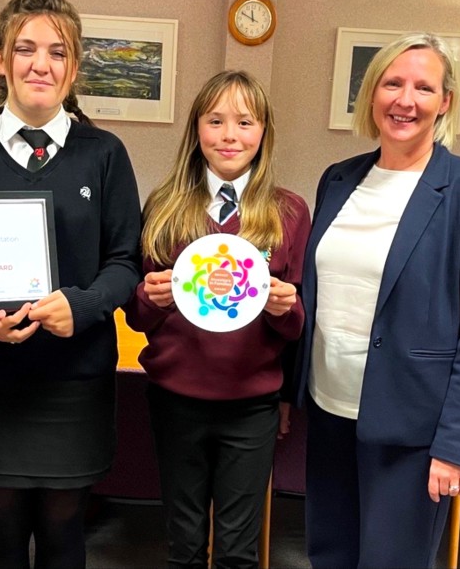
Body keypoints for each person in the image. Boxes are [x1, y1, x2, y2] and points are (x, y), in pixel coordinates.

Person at [0, 0, 142, 569]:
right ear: (1, 59)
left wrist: (84, 305)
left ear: (74, 66)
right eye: (25, 49)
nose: (40, 64)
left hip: (74, 379)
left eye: (57, 51)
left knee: (64, 533)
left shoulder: (105, 154)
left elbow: (126, 261)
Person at [294, 32, 460, 568]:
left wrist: (455, 447)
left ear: (446, 102)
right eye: (392, 83)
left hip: (412, 426)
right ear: (372, 93)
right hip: (330, 408)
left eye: (424, 88)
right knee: (329, 553)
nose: (405, 100)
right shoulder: (338, 179)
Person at [123, 70, 311, 568]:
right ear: (196, 129)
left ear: (263, 132)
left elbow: (297, 325)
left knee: (237, 548)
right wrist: (150, 297)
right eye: (216, 121)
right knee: (183, 542)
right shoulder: (165, 206)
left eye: (245, 122)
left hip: (251, 405)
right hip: (176, 399)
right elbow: (138, 316)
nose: (230, 135)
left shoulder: (289, 212)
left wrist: (286, 308)